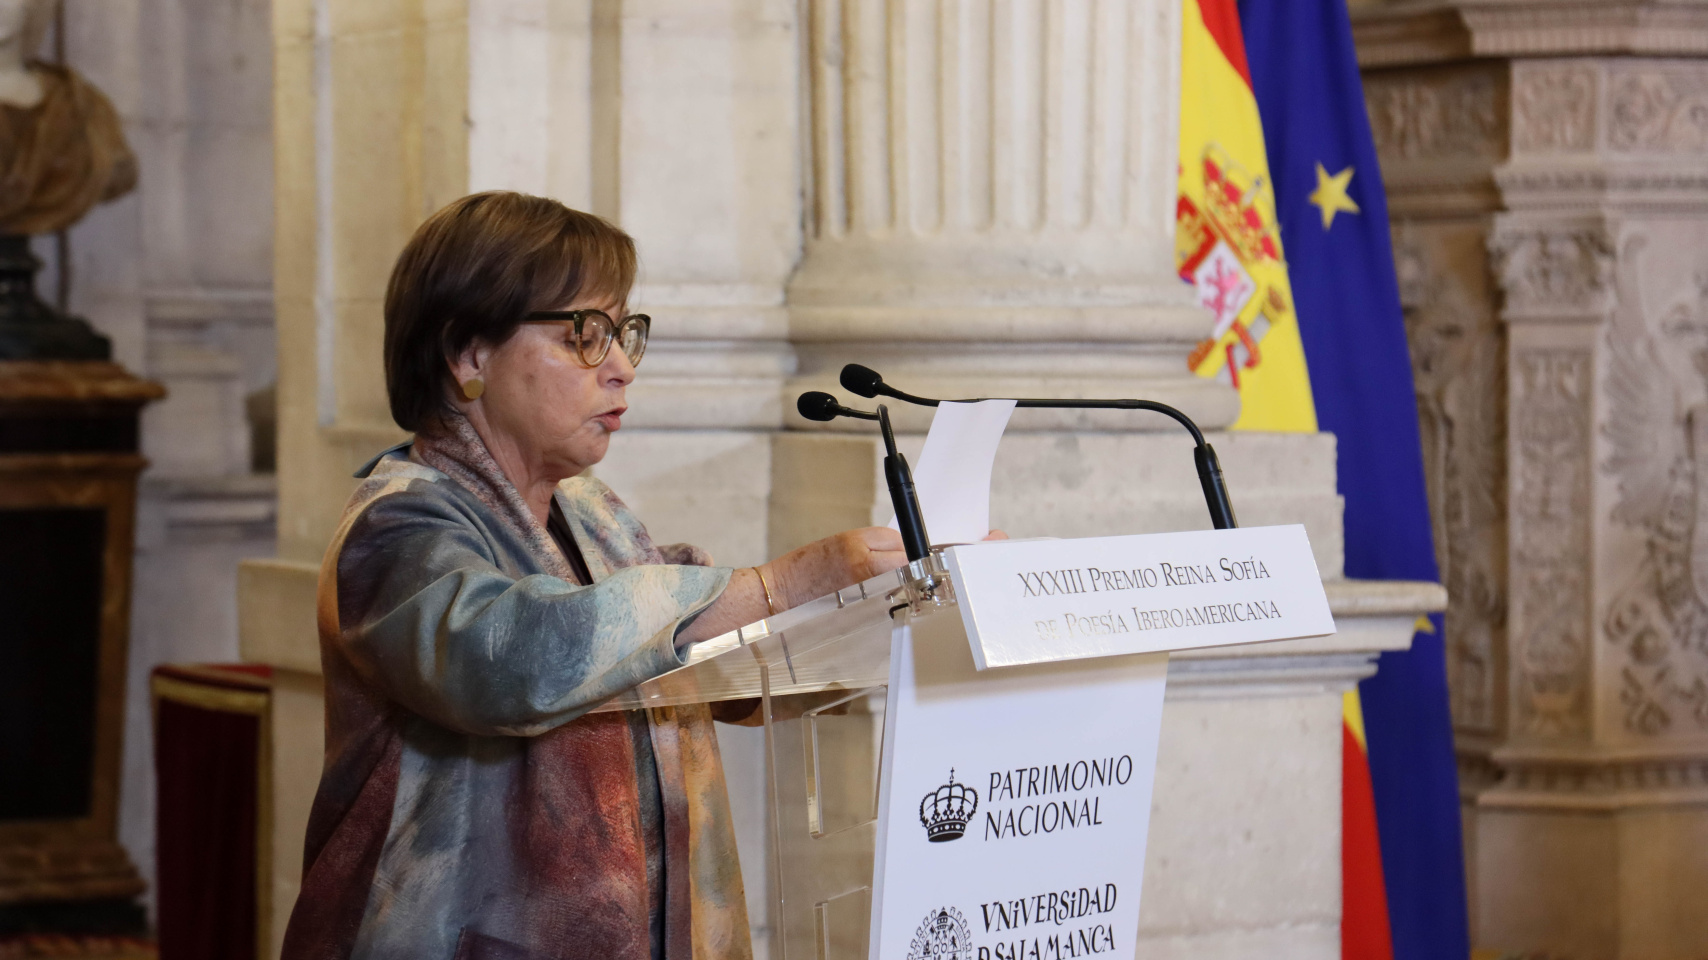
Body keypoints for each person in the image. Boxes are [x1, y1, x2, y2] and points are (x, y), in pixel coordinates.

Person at [280, 191, 910, 960]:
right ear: (469, 353)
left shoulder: (593, 512)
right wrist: (782, 584)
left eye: (624, 335)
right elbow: (519, 658)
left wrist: (893, 609)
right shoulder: (396, 526)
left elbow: (704, 669)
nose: (620, 369)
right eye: (586, 335)